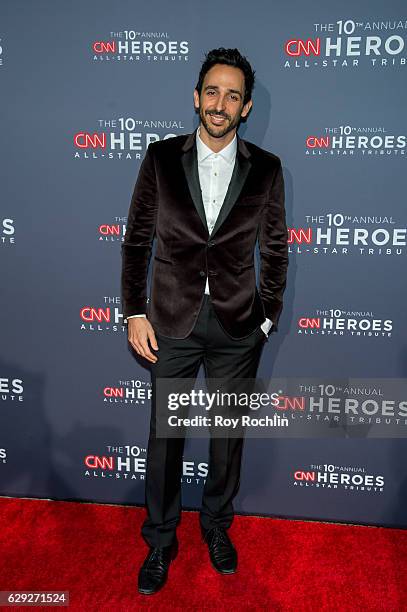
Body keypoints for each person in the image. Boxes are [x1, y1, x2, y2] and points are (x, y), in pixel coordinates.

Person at [121, 47, 288, 595]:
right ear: (196, 98)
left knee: (225, 440)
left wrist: (266, 320)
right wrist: (134, 311)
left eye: (233, 96)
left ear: (245, 109)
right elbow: (137, 240)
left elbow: (277, 251)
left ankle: (216, 528)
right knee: (166, 439)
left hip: (238, 327)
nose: (220, 104)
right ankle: (161, 541)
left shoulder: (265, 168)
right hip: (171, 321)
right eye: (212, 92)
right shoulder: (161, 158)